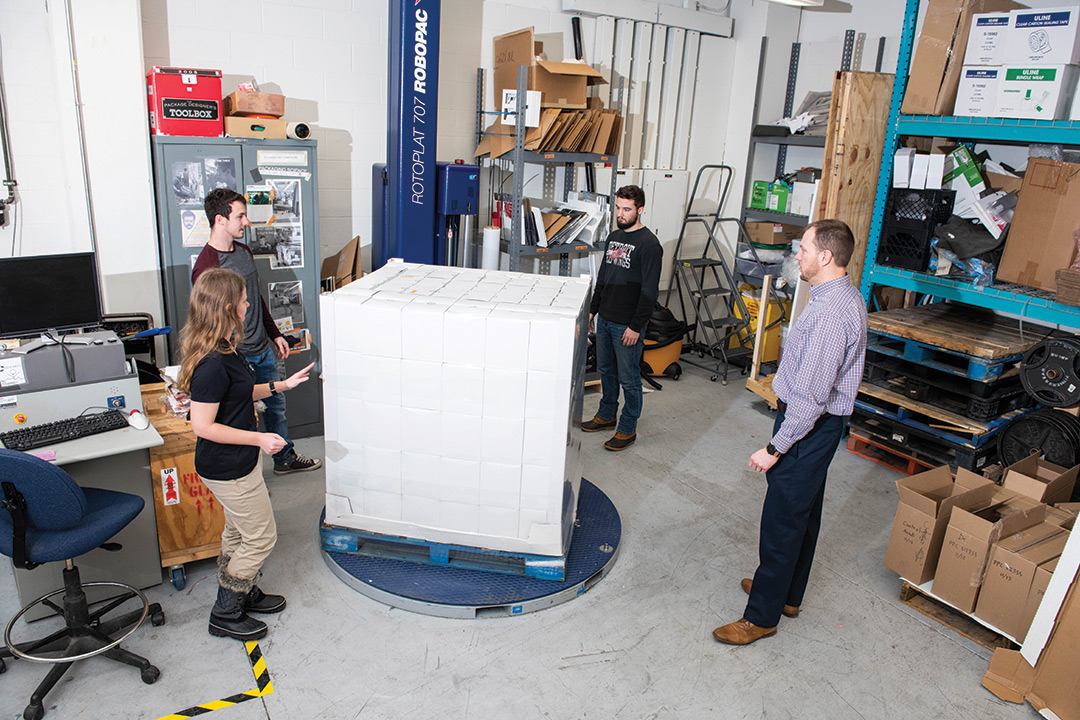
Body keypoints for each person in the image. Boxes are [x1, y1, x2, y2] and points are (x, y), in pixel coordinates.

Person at [712, 219, 867, 646]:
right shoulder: (837, 298)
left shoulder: (832, 314)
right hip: (817, 426)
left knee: (782, 520)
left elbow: (813, 398)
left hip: (807, 427)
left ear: (825, 257)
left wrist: (774, 447)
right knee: (804, 512)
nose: (795, 254)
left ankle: (761, 616)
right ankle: (788, 595)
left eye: (803, 248)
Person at [178, 268, 316, 640]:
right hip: (228, 467)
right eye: (243, 300)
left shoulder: (226, 348)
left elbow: (239, 394)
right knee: (261, 536)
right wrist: (259, 440)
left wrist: (281, 385)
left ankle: (243, 589)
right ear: (228, 307)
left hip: (239, 463)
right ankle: (226, 610)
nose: (247, 305)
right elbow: (202, 426)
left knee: (239, 531)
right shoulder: (211, 364)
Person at [193, 188, 321, 475]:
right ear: (220, 220)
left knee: (276, 406)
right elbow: (209, 321)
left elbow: (256, 297)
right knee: (240, 416)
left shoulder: (244, 252)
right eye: (240, 216)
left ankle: (284, 458)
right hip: (236, 355)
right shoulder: (207, 267)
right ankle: (246, 474)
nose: (246, 223)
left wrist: (274, 334)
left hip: (261, 347)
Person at [582, 185, 662, 451]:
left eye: (627, 209)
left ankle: (627, 428)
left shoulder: (650, 245)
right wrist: (593, 310)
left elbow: (650, 292)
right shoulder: (614, 237)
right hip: (605, 318)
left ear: (641, 210)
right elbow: (603, 277)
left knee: (629, 379)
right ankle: (606, 415)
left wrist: (636, 326)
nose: (621, 213)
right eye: (618, 208)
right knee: (606, 371)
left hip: (627, 325)